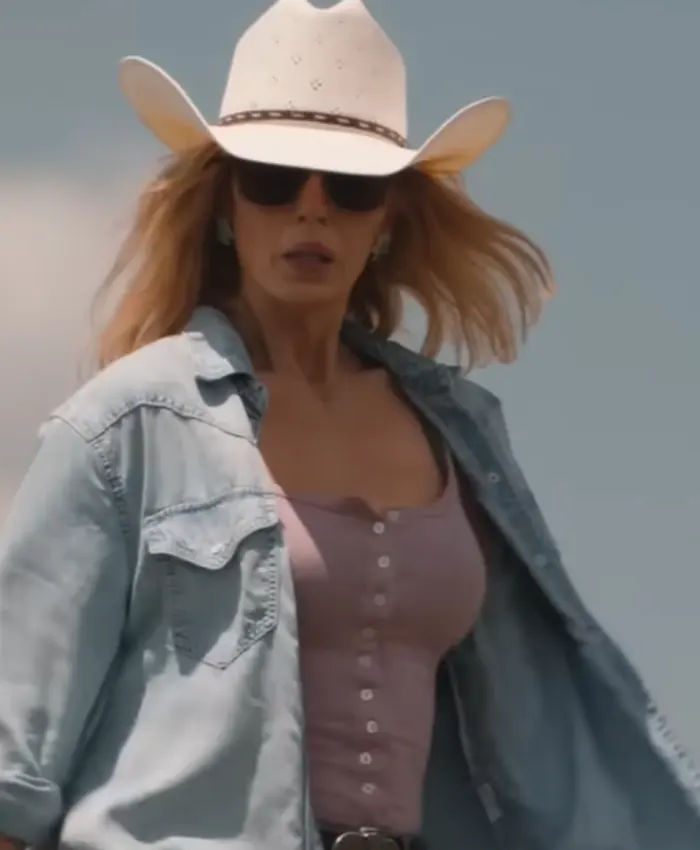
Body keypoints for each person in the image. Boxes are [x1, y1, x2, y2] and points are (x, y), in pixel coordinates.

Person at [1, 1, 699, 848]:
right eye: (273, 178)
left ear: (388, 219)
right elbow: (12, 765)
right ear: (224, 204)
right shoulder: (127, 425)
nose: (312, 209)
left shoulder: (460, 434)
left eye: (351, 186)